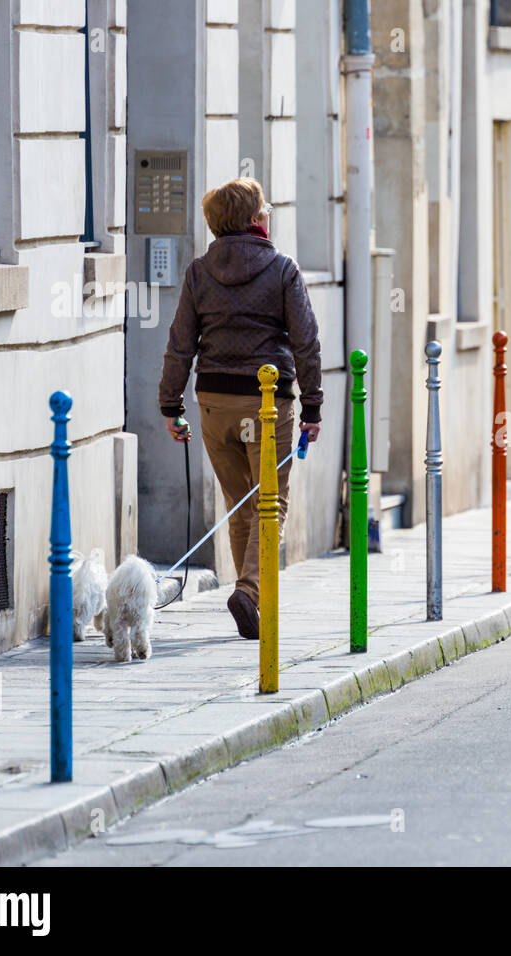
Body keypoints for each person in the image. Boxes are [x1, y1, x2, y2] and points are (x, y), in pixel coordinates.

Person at [157, 177, 322, 639]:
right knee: (270, 502)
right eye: (264, 207)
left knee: (239, 503)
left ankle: (247, 597)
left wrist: (172, 405)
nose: (268, 213)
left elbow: (179, 345)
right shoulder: (283, 269)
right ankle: (249, 592)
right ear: (253, 220)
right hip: (267, 403)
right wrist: (312, 408)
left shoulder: (197, 272)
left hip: (214, 402)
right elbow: (307, 344)